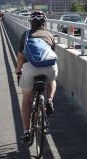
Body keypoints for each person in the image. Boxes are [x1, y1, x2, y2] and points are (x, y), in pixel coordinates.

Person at [16, 11, 58, 143]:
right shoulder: (50, 35)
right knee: (51, 81)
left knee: (26, 99)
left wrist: (18, 71)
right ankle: (49, 100)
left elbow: (21, 57)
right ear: (44, 23)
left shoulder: (26, 35)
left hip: (31, 69)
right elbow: (52, 54)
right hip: (49, 68)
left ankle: (27, 131)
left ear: (31, 22)